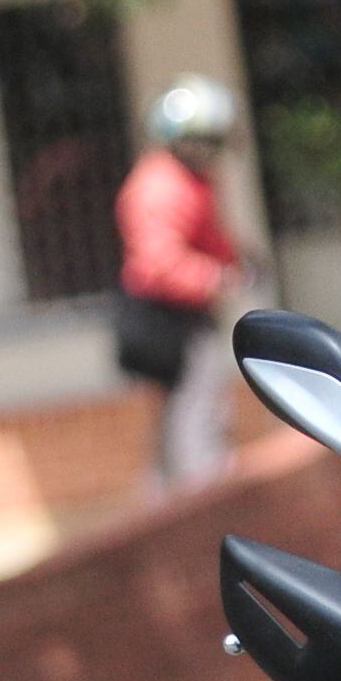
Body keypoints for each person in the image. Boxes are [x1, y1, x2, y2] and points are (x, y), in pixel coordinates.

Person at [117, 76, 250, 497]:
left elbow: (210, 238)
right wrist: (216, 278)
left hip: (184, 318)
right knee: (192, 416)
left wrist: (236, 261)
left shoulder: (193, 182)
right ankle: (201, 502)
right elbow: (160, 264)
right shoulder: (161, 185)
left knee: (196, 413)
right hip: (165, 322)